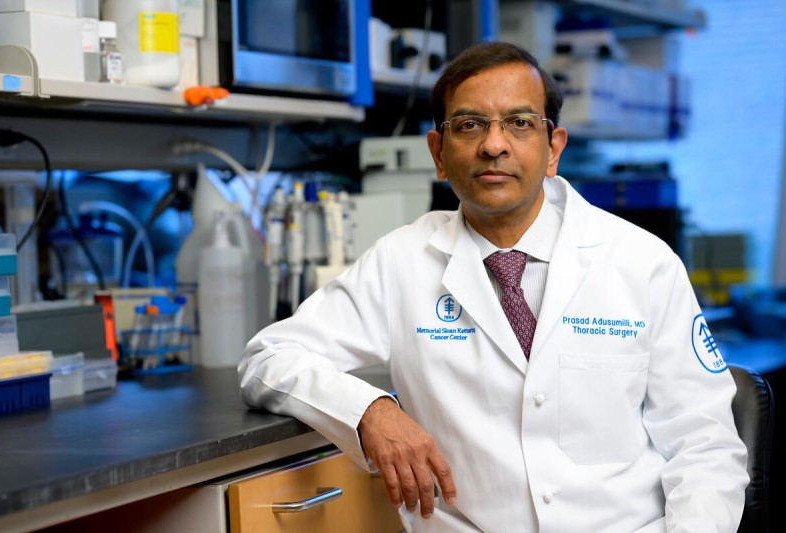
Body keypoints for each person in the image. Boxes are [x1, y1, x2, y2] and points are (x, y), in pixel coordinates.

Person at [238, 41, 749, 532]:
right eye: (469, 125)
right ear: (438, 153)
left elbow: (705, 447)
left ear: (553, 148)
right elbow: (269, 357)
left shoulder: (642, 263)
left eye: (519, 123)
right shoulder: (401, 261)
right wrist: (371, 411)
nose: (494, 144)